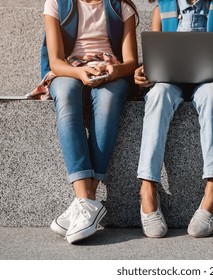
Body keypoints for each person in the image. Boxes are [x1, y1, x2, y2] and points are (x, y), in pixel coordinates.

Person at [134, 0, 213, 238]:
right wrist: (144, 72)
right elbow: (154, 55)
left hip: (208, 80)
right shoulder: (162, 8)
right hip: (169, 80)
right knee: (158, 95)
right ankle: (147, 188)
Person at [39, 0, 139, 244]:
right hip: (68, 69)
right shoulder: (56, 4)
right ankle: (87, 198)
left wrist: (115, 71)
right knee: (65, 97)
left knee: (107, 102)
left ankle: (84, 202)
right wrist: (81, 73)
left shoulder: (121, 7)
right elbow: (55, 61)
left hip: (109, 68)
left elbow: (131, 62)